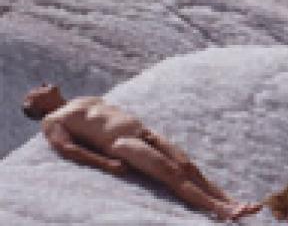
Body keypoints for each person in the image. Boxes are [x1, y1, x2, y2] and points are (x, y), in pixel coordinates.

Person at [21, 84, 261, 222]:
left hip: (142, 131)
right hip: (120, 142)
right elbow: (66, 147)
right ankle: (220, 209)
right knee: (171, 173)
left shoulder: (81, 99)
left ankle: (229, 200)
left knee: (186, 165)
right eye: (36, 91)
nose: (42, 85)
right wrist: (104, 163)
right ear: (36, 105)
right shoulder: (52, 120)